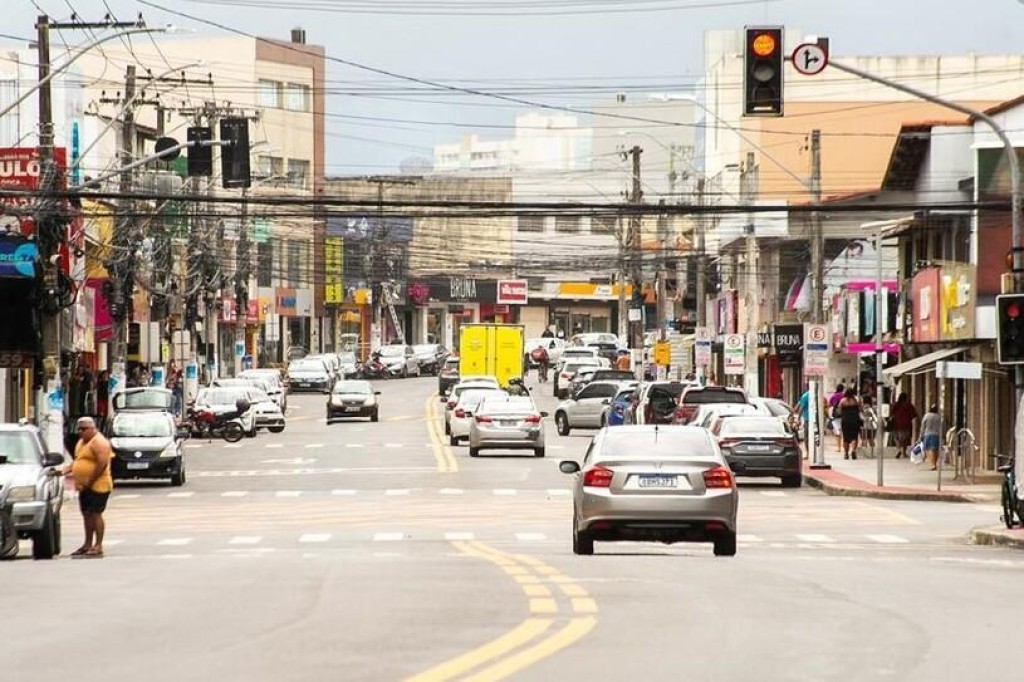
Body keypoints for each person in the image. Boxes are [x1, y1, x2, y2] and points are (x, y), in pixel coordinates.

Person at [68, 416, 113, 558]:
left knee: (96, 514)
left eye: (84, 429)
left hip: (98, 484)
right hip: (84, 486)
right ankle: (87, 544)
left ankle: (98, 545)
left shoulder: (99, 442)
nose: (81, 432)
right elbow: (78, 461)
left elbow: (102, 463)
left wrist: (90, 480)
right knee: (86, 514)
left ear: (93, 428)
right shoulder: (81, 443)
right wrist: (64, 470)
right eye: (79, 429)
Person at [890, 392, 918, 459]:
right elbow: (914, 415)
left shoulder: (896, 405)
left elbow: (892, 413)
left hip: (897, 425)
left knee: (897, 439)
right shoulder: (909, 405)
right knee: (905, 439)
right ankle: (904, 453)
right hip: (907, 425)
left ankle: (899, 450)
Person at [837, 388, 862, 460]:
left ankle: (846, 453)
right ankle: (853, 451)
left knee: (846, 438)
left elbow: (839, 411)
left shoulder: (842, 401)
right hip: (855, 420)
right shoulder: (856, 401)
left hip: (845, 420)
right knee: (854, 437)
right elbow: (860, 409)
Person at [921, 404, 943, 470]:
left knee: (928, 449)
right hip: (937, 435)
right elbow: (942, 426)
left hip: (928, 434)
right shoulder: (939, 417)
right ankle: (934, 463)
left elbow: (923, 426)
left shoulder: (926, 416)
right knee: (935, 449)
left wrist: (921, 435)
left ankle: (933, 464)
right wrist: (943, 435)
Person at [828, 383, 846, 450]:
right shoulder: (844, 395)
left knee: (838, 431)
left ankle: (839, 447)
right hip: (844, 414)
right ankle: (844, 446)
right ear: (843, 389)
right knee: (844, 431)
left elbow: (830, 405)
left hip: (836, 415)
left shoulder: (834, 396)